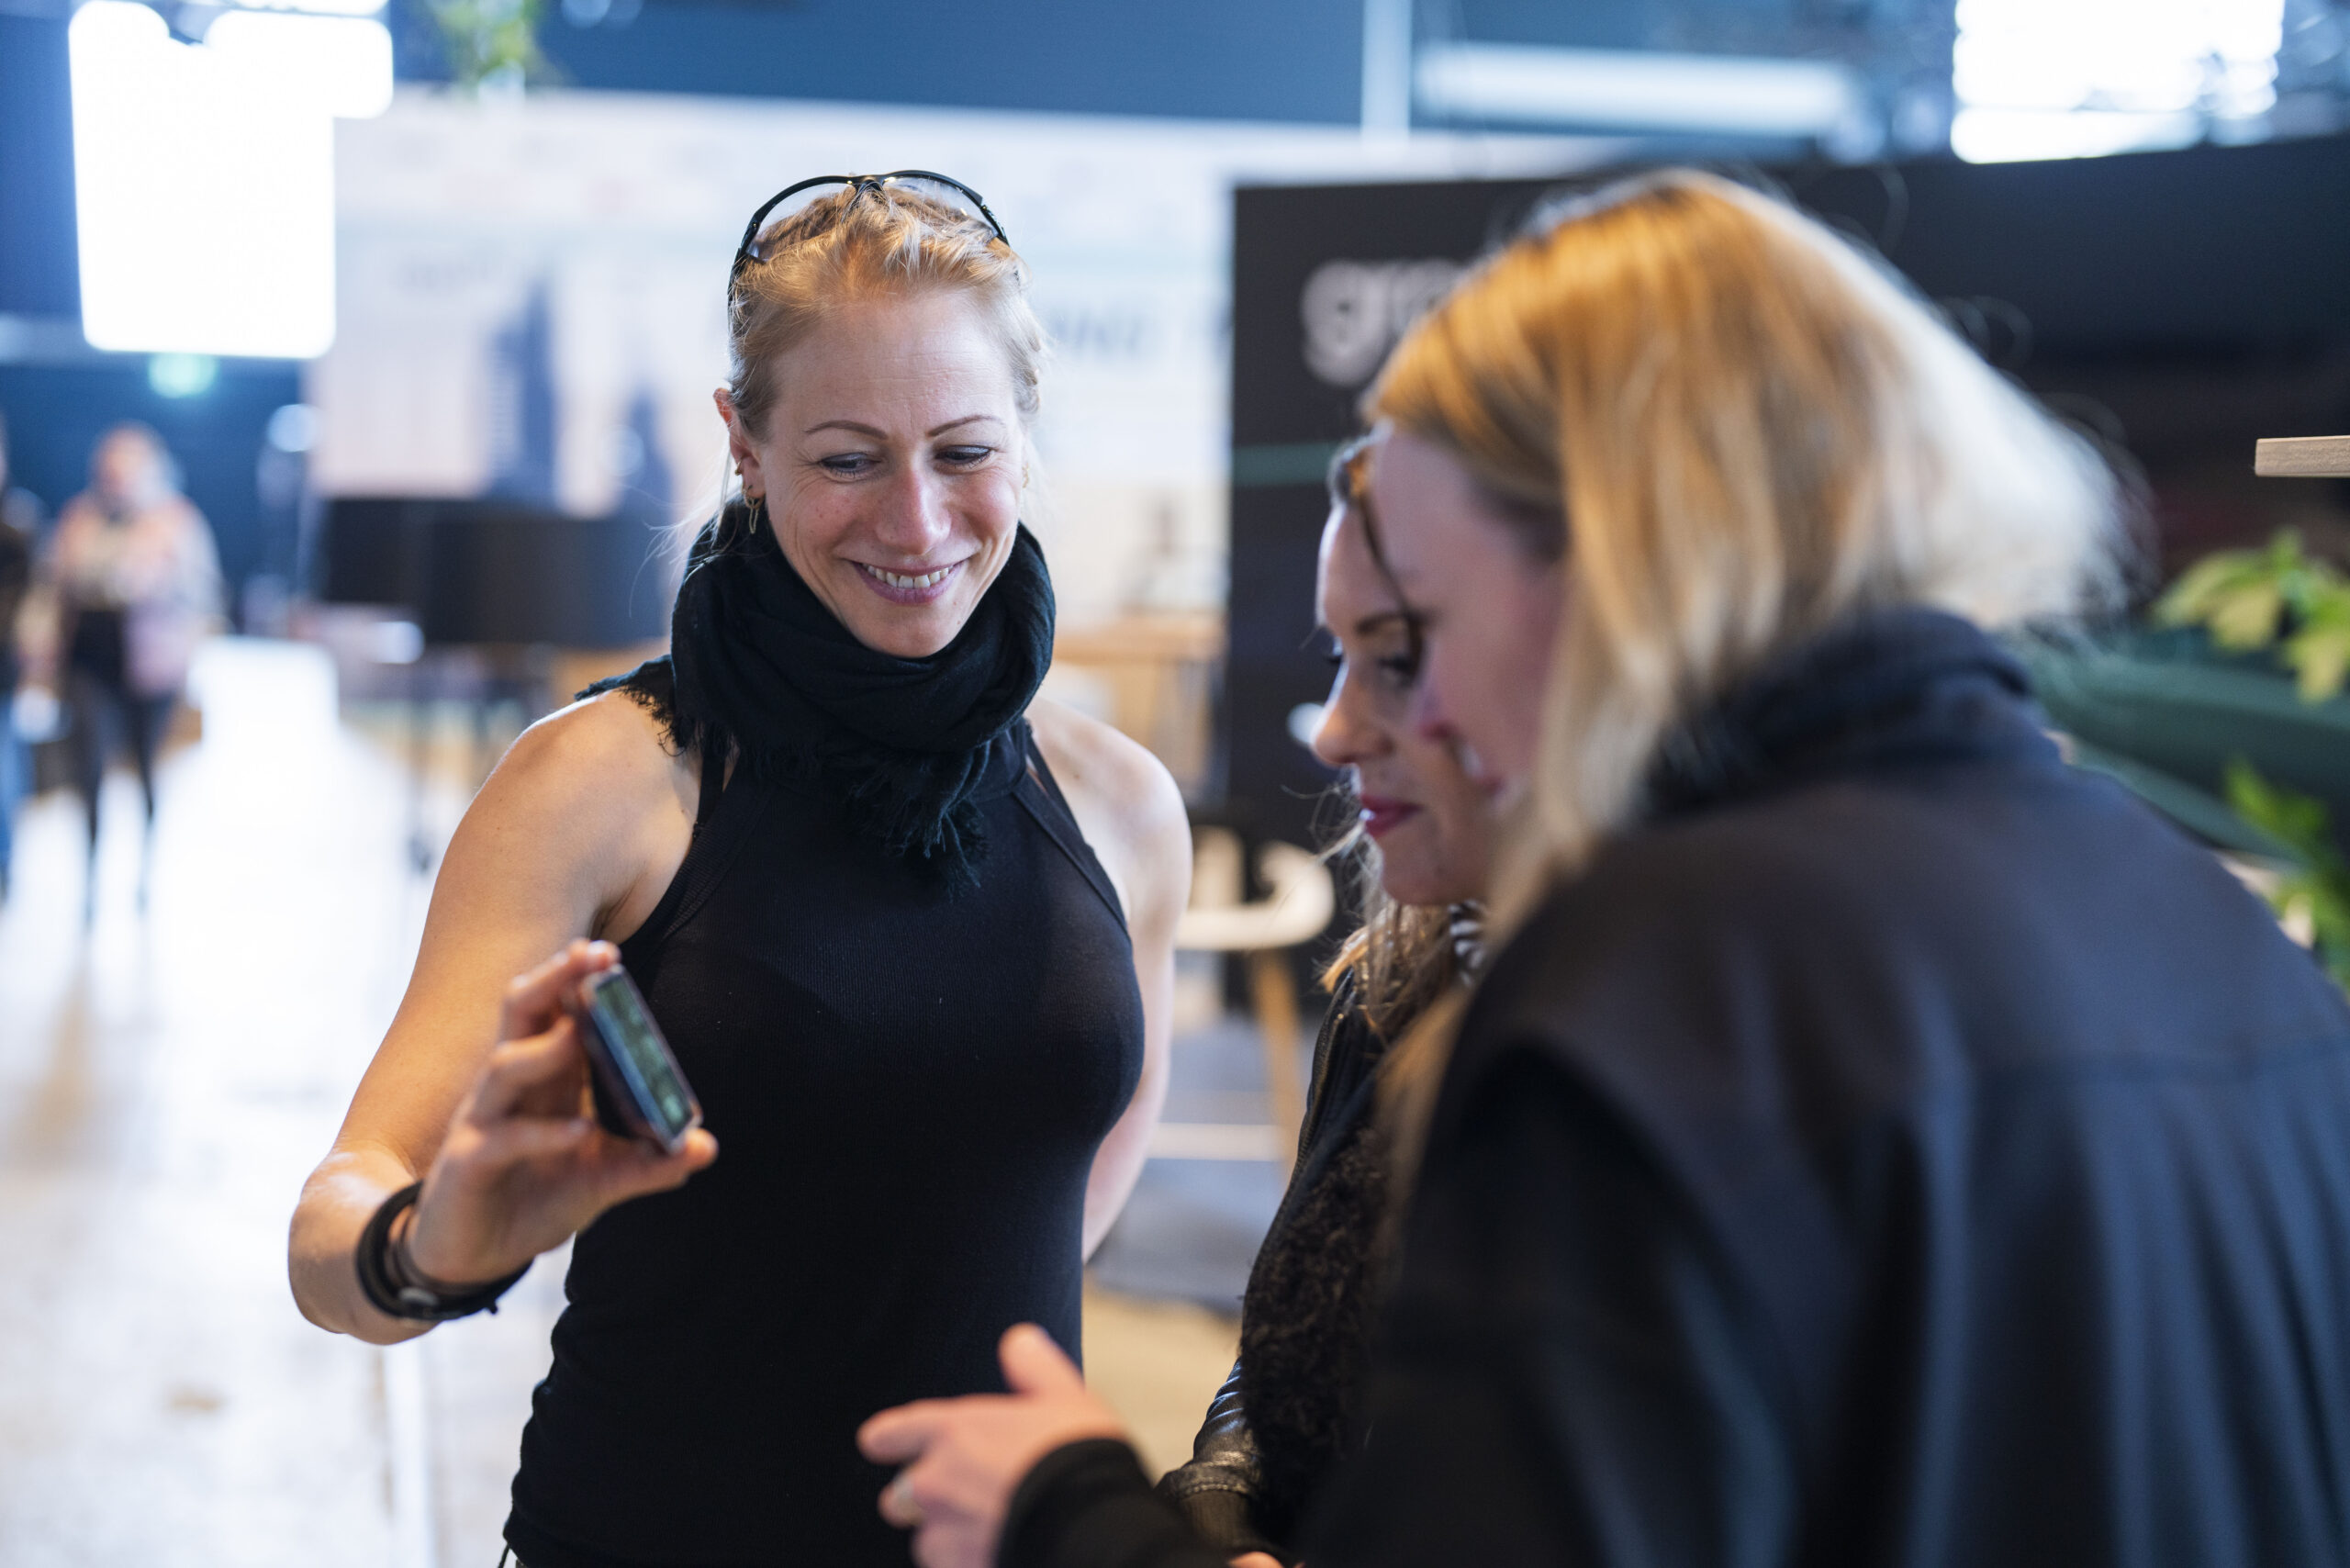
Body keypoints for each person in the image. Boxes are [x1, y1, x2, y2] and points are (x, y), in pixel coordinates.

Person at [856, 169, 2350, 1568]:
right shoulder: (2223, 943)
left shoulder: (1670, 990)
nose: (1394, 716)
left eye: (1424, 625)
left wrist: (1075, 1514)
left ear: (1623, 567)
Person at [286, 174, 1191, 1568]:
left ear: (1024, 432)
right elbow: (336, 1226)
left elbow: (1075, 1168)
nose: (916, 520)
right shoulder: (603, 783)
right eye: (846, 458)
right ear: (744, 445)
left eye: (963, 451)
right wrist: (433, 1248)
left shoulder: (1121, 809)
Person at [1155, 441, 1490, 1565]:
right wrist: (1219, 1510)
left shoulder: (1697, 1043)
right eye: (1339, 657)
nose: (1335, 729)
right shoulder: (1396, 984)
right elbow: (1288, 1355)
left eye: (1392, 661)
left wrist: (1081, 1512)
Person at [21, 421, 220, 913]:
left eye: (124, 470)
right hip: (90, 660)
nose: (114, 480)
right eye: (107, 470)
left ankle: (145, 872)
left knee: (147, 768)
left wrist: (158, 586)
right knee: (87, 767)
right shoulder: (79, 518)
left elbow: (205, 595)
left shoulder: (176, 521)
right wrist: (38, 643)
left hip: (151, 665)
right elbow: (51, 586)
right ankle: (89, 877)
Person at [0, 411, 44, 902]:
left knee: (4, 769)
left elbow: (24, 604)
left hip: (2, 669)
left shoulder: (17, 523)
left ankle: (6, 863)